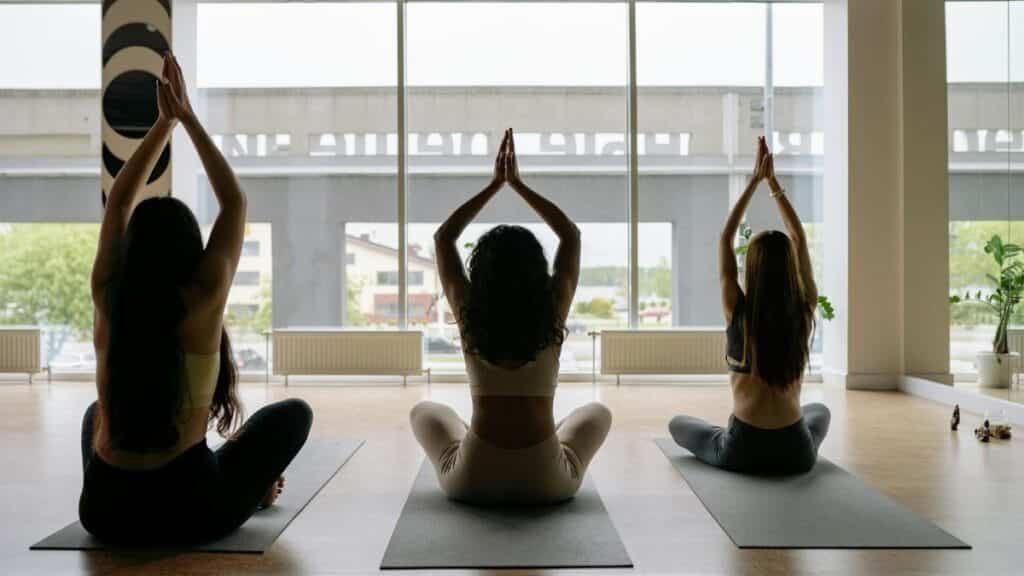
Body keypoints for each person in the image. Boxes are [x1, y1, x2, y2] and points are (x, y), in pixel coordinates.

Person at [79, 53, 313, 544]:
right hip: (190, 511)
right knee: (292, 415)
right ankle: (255, 490)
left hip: (104, 512)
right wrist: (185, 117)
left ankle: (245, 486)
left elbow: (119, 201)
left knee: (95, 415)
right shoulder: (203, 299)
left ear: (130, 251)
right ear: (191, 254)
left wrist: (161, 127)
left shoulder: (109, 295)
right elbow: (234, 201)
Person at [410, 129, 612, 504]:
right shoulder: (552, 312)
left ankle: (481, 441)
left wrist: (494, 186)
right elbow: (570, 235)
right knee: (596, 412)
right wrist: (518, 185)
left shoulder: (470, 314)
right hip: (548, 484)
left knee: (426, 410)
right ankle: (549, 439)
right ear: (537, 272)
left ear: (481, 272)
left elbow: (443, 238)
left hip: (471, 481)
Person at [668, 136, 830, 476]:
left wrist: (754, 180)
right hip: (795, 454)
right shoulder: (804, 312)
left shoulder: (736, 312)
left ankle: (721, 437)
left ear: (751, 269)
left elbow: (726, 237)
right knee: (819, 413)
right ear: (791, 270)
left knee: (678, 424)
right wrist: (773, 185)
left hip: (742, 450)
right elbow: (799, 238)